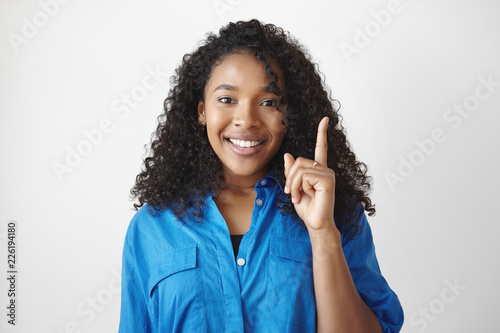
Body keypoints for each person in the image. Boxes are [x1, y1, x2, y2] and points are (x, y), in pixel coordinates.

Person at [119, 19, 404, 332]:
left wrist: (322, 233)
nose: (246, 120)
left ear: (289, 116)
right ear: (202, 111)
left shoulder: (336, 213)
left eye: (269, 102)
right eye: (227, 100)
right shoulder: (152, 226)